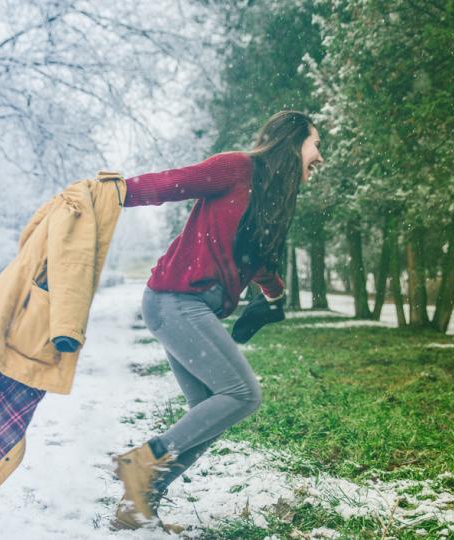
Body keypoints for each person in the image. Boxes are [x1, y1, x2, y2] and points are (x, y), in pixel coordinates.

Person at [110, 110, 324, 533]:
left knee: (208, 411)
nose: (320, 158)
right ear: (293, 140)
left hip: (190, 307)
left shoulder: (271, 195)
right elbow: (172, 183)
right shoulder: (238, 167)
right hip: (175, 300)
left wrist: (273, 293)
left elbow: (255, 254)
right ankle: (142, 462)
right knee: (242, 395)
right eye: (317, 145)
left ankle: (138, 508)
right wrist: (117, 191)